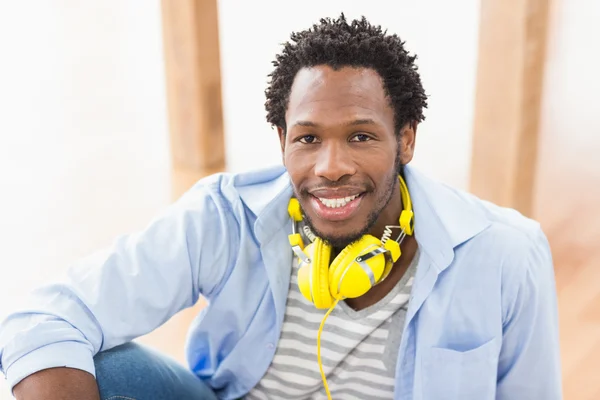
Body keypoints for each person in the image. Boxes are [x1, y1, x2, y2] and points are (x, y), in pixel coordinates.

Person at [0, 14, 561, 400]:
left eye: (362, 136)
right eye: (308, 138)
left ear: (406, 139)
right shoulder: (226, 217)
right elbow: (43, 319)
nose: (330, 166)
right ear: (282, 139)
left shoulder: (504, 254)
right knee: (104, 367)